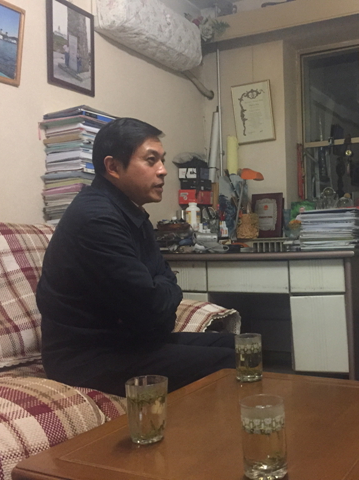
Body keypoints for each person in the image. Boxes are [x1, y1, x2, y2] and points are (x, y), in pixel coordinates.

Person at [37, 118, 235, 398]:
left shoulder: (131, 213)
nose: (163, 170)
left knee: (238, 346)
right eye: (151, 160)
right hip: (85, 358)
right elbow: (152, 309)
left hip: (125, 343)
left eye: (162, 160)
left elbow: (161, 283)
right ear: (113, 167)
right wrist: (164, 292)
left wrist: (162, 292)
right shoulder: (96, 219)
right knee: (229, 362)